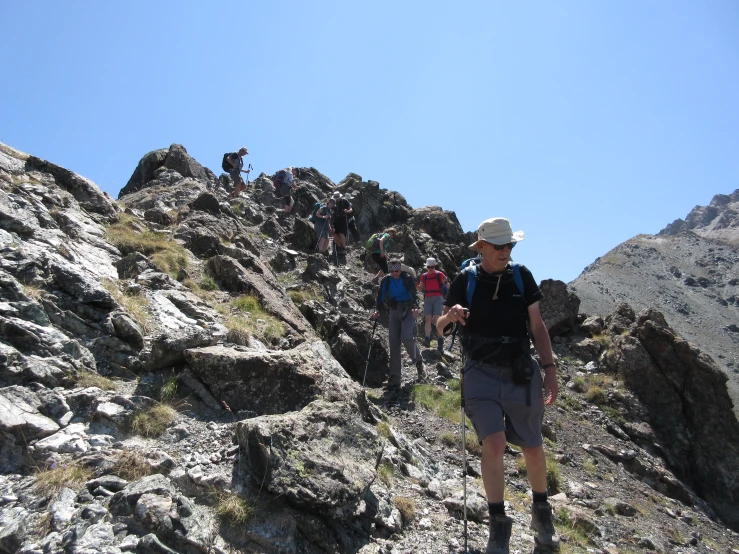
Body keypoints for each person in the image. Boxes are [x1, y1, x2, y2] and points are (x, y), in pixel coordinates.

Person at [436, 217, 560, 554]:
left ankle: (542, 514)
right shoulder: (465, 280)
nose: (506, 251)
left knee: (532, 447)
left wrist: (549, 369)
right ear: (482, 248)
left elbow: (537, 325)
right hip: (479, 372)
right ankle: (498, 526)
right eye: (499, 246)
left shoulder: (522, 276)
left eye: (510, 246)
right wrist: (451, 316)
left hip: (520, 370)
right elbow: (440, 328)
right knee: (494, 444)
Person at [373, 258, 425, 391]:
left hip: (408, 309)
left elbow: (414, 294)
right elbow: (380, 296)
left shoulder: (406, 278)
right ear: (389, 269)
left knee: (407, 336)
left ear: (400, 268)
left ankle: (418, 362)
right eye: (392, 270)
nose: (395, 272)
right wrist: (377, 310)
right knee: (393, 341)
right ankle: (395, 378)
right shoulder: (386, 280)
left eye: (397, 269)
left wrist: (415, 307)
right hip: (394, 310)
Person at [418, 257, 448, 351]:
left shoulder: (439, 274)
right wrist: (415, 284)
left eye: (432, 267)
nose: (430, 269)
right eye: (428, 267)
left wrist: (446, 282)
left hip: (438, 297)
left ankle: (440, 339)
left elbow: (446, 285)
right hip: (427, 298)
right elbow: (420, 288)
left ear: (435, 266)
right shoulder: (424, 276)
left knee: (436, 319)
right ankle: (427, 339)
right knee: (427, 319)